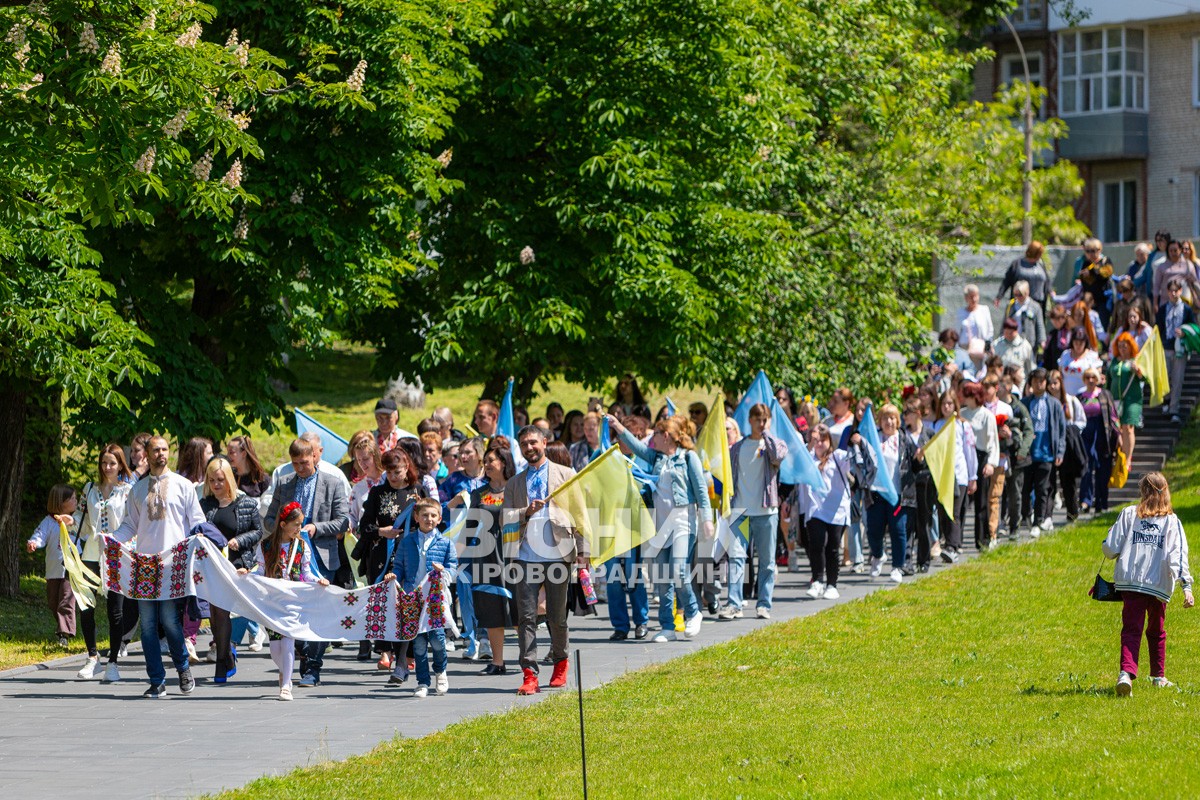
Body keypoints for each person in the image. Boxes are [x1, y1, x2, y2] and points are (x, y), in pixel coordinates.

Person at [112, 435, 206, 698]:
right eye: (155, 450)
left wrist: (197, 544)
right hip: (143, 565)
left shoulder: (183, 485)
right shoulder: (138, 490)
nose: (160, 454)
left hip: (173, 564)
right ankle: (156, 680)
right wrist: (110, 540)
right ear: (147, 454)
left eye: (164, 449)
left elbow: (197, 521)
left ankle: (183, 668)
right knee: (148, 626)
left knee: (171, 622)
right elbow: (129, 525)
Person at [608, 414, 712, 636]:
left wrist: (707, 519)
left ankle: (693, 612)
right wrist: (617, 426)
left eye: (654, 434)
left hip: (683, 521)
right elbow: (635, 447)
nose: (650, 439)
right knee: (663, 578)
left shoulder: (688, 458)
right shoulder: (656, 458)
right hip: (660, 525)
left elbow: (701, 491)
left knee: (678, 570)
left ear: (665, 435)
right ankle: (667, 627)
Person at [503, 425, 584, 696]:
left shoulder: (566, 475)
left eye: (533, 442)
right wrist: (525, 512)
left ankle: (560, 662)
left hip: (558, 555)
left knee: (556, 616)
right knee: (525, 617)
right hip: (525, 556)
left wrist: (584, 551)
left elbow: (580, 514)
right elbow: (506, 521)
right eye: (524, 444)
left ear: (544, 442)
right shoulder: (514, 482)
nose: (529, 448)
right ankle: (529, 673)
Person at [263, 437, 350, 687]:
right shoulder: (284, 483)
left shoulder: (332, 483)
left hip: (322, 554)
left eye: (304, 462)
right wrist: (283, 531)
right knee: (294, 611)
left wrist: (315, 527)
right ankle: (300, 650)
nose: (300, 468)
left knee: (319, 613)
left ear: (315, 456)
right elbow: (269, 518)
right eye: (295, 463)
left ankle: (313, 668)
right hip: (289, 555)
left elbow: (343, 520)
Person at [1103, 472, 1193, 696]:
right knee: (1156, 630)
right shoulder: (1172, 522)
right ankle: (1158, 676)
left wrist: (1108, 537)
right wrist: (1186, 587)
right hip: (1158, 585)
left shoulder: (1128, 514)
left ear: (1143, 491)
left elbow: (1110, 549)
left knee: (1131, 629)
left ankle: (1126, 674)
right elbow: (1178, 556)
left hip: (1130, 582)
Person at [242, 501, 330, 700]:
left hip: (293, 601)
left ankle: (286, 684)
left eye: (300, 524)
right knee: (275, 648)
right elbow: (261, 571)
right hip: (272, 601)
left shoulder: (301, 546)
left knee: (288, 641)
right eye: (296, 524)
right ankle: (285, 671)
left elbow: (306, 573)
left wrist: (319, 580)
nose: (300, 528)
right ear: (283, 524)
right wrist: (247, 574)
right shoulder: (265, 546)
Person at [355, 447, 427, 677]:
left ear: (407, 467)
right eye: (389, 471)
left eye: (398, 471)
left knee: (407, 604)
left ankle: (405, 658)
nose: (394, 476)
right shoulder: (377, 493)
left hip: (411, 556)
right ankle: (388, 651)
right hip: (382, 557)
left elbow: (430, 522)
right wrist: (381, 531)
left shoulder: (417, 492)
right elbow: (363, 526)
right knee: (386, 605)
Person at [715, 403, 786, 618]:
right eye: (757, 419)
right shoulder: (737, 448)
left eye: (765, 419)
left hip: (766, 512)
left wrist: (767, 436)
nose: (761, 423)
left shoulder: (775, 444)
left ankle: (764, 603)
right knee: (736, 557)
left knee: (766, 560)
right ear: (750, 420)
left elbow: (777, 457)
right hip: (740, 510)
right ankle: (734, 604)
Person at [384, 497, 458, 698]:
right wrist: (393, 575)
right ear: (416, 517)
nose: (429, 519)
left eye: (433, 515)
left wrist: (444, 572)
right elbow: (398, 566)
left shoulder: (446, 543)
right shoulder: (407, 541)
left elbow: (453, 568)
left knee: (437, 639)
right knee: (417, 642)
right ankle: (422, 681)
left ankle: (440, 671)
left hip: (435, 598)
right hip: (412, 598)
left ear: (440, 518)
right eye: (424, 515)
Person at [74, 445, 136, 681]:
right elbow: (82, 517)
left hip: (116, 556)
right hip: (90, 553)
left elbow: (133, 523)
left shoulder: (128, 491)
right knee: (86, 605)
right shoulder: (90, 489)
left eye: (112, 463)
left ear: (121, 465)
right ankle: (92, 657)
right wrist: (71, 519)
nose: (107, 468)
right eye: (104, 463)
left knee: (116, 611)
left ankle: (113, 662)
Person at [199, 455, 263, 682]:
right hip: (211, 564)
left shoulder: (245, 503)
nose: (216, 485)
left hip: (236, 564)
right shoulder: (205, 505)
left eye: (220, 480)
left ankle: (221, 661)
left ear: (229, 480)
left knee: (222, 610)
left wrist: (240, 540)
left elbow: (258, 531)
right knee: (215, 614)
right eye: (212, 480)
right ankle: (226, 655)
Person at [796, 424, 873, 599]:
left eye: (823, 440)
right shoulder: (809, 458)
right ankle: (817, 581)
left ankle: (832, 584)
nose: (820, 444)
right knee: (816, 544)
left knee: (832, 547)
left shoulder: (837, 457)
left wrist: (857, 442)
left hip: (836, 510)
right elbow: (798, 464)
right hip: (815, 510)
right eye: (816, 440)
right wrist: (809, 445)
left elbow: (853, 461)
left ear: (829, 441)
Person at [467, 446, 520, 673]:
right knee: (490, 609)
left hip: (514, 555)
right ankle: (497, 662)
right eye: (485, 461)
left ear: (504, 463)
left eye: (491, 461)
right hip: (486, 557)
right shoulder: (478, 494)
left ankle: (527, 658)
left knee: (518, 608)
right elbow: (470, 527)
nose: (486, 465)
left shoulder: (518, 489)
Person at [864, 404, 918, 582]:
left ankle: (897, 566)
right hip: (877, 494)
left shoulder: (905, 439)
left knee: (898, 530)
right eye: (885, 418)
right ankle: (878, 555)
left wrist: (920, 459)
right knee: (873, 530)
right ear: (879, 421)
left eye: (893, 417)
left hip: (898, 495)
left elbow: (916, 467)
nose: (889, 422)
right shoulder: (874, 439)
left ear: (898, 420)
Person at [26, 485, 81, 649]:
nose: (75, 501)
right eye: (72, 498)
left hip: (71, 568)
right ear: (61, 502)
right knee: (53, 602)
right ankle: (64, 626)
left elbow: (86, 533)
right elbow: (39, 535)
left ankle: (63, 634)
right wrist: (33, 543)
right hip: (53, 569)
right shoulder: (49, 521)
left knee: (65, 601)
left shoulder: (76, 521)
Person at [929, 391, 976, 562]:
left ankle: (952, 546)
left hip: (959, 474)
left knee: (954, 511)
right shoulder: (936, 425)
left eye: (950, 403)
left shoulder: (963, 425)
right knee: (943, 511)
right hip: (942, 476)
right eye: (944, 404)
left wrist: (973, 476)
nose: (947, 407)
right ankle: (948, 542)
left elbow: (969, 451)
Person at [1021, 370, 1066, 539]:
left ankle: (1038, 521)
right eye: (1035, 381)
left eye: (1041, 381)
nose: (1038, 384)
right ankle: (1026, 514)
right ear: (1030, 383)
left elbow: (1061, 430)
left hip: (1046, 453)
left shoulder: (1054, 404)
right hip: (1028, 454)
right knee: (1025, 489)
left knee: (1042, 489)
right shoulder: (1025, 403)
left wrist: (1060, 451)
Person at [960, 383, 998, 551]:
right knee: (961, 501)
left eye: (968, 395)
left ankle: (982, 539)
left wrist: (991, 462)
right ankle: (956, 541)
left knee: (981, 502)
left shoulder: (986, 415)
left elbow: (992, 440)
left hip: (981, 456)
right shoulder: (961, 414)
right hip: (964, 457)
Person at [1076, 368, 1118, 515]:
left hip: (1102, 433)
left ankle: (1102, 501)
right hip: (1085, 434)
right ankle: (1085, 501)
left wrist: (1119, 436)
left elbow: (1113, 417)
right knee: (1086, 468)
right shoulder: (1080, 397)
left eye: (1093, 377)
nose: (1091, 380)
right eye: (1087, 377)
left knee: (1103, 469)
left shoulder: (1105, 395)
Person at [1157, 278, 1196, 423]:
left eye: (1176, 290)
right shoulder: (1163, 309)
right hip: (1166, 347)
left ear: (1180, 291)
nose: (1173, 293)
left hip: (1180, 348)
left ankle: (1174, 409)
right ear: (1167, 292)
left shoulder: (1186, 309)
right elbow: (1158, 327)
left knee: (1177, 379)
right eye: (1171, 291)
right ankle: (1166, 401)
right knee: (1165, 377)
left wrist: (1185, 332)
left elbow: (1193, 326)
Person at [1108, 333, 1146, 464]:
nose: (1122, 349)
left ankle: (1128, 459)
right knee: (1118, 428)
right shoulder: (1114, 361)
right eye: (1119, 346)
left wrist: (1138, 372)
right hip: (1116, 400)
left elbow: (1145, 378)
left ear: (1130, 347)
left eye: (1125, 346)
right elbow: (1109, 378)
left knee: (1128, 427)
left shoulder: (1136, 360)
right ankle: (1121, 455)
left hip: (1132, 400)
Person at [1072, 238, 1115, 330]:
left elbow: (1105, 274)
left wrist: (1092, 272)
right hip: (1090, 301)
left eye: (1093, 251)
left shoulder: (1105, 261)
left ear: (1099, 250)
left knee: (1103, 326)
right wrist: (1085, 275)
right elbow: (1087, 281)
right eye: (1087, 251)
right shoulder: (1087, 263)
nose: (1090, 254)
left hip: (1103, 300)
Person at [996, 241, 1051, 308]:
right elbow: (1006, 281)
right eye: (1039, 254)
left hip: (1038, 304)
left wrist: (1050, 291)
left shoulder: (1040, 264)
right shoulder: (1017, 264)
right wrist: (999, 296)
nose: (1040, 256)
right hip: (1020, 303)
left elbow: (1047, 281)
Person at [226, 435, 271, 512]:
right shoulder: (228, 477)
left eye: (231, 453)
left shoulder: (262, 478)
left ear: (243, 453)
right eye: (227, 452)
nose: (227, 456)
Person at [1003, 280, 1045, 358]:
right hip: (1012, 341)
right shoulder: (1010, 305)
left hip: (1029, 342)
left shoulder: (1035, 306)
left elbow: (1040, 325)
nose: (1018, 297)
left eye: (1020, 294)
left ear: (1027, 292)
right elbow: (1005, 323)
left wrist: (1042, 341)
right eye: (1015, 294)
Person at [1152, 240, 1198, 309]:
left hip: (1184, 302)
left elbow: (1195, 282)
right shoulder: (1162, 267)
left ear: (1180, 250)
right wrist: (1155, 303)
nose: (1173, 253)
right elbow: (1156, 286)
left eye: (1175, 250)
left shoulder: (1188, 265)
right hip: (1165, 303)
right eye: (1171, 251)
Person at [1058, 328, 1103, 398]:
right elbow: (1060, 373)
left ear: (1085, 343)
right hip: (1067, 395)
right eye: (1076, 343)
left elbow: (1098, 376)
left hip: (1085, 397)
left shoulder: (1092, 356)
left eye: (1081, 343)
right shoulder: (1065, 354)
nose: (1078, 346)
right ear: (1072, 342)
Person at [1042, 305, 1071, 377]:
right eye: (1053, 320)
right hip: (1054, 369)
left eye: (1058, 319)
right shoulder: (1052, 334)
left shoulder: (1071, 333)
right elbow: (1047, 354)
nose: (1055, 322)